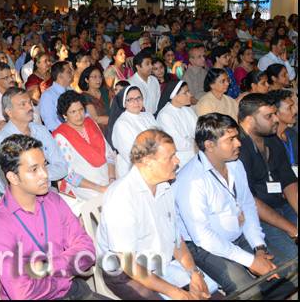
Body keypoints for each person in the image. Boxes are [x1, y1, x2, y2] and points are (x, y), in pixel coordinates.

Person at [174, 113, 295, 299]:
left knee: (284, 272)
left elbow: (247, 205)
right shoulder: (191, 180)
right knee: (249, 292)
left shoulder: (235, 165)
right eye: (230, 139)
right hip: (204, 246)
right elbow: (204, 237)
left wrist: (259, 247)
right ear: (210, 145)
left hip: (238, 234)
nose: (238, 143)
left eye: (237, 137)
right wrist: (250, 261)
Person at [98, 129, 217, 299]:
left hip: (161, 262)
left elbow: (176, 239)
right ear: (148, 162)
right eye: (170, 157)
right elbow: (128, 263)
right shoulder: (122, 197)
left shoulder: (165, 186)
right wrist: (176, 293)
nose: (177, 161)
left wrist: (193, 272)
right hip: (125, 271)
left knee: (209, 295)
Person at [0, 134, 101, 300]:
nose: (45, 175)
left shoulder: (54, 200)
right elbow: (22, 293)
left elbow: (87, 251)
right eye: (34, 170)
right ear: (13, 177)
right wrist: (65, 272)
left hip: (74, 292)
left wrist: (48, 266)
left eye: (44, 165)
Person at [237, 94, 298, 265]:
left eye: (275, 114)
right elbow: (249, 201)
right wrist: (292, 229)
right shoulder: (238, 149)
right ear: (249, 120)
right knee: (293, 259)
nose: (276, 119)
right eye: (268, 116)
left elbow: (288, 180)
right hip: (257, 217)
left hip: (282, 205)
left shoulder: (272, 139)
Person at [0, 87, 68, 196]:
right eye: (23, 104)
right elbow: (4, 184)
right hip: (21, 199)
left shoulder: (41, 130)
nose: (30, 107)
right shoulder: (2, 141)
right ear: (9, 112)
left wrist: (34, 175)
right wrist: (41, 174)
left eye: (30, 102)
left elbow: (62, 166)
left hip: (48, 191)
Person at [52, 90, 116, 199]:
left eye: (81, 109)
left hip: (108, 178)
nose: (79, 115)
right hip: (85, 188)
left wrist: (112, 179)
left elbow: (109, 154)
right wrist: (100, 188)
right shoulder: (60, 137)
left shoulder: (91, 123)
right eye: (73, 112)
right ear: (64, 115)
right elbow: (69, 175)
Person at [109, 85, 159, 178]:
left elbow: (160, 138)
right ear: (124, 103)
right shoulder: (121, 124)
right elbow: (131, 154)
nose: (136, 102)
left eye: (138, 98)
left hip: (156, 163)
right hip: (134, 170)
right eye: (130, 99)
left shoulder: (148, 116)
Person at [156, 81, 198, 166]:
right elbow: (177, 143)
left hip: (195, 153)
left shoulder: (188, 110)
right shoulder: (165, 115)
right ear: (174, 96)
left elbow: (198, 131)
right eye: (185, 93)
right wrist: (196, 143)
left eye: (188, 91)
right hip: (179, 159)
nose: (190, 95)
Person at [269, 89, 298, 170]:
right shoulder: (268, 141)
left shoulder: (292, 134)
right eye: (290, 108)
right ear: (276, 112)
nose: (295, 111)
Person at [39, 61, 72, 132]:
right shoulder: (47, 96)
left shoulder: (71, 90)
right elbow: (51, 124)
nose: (71, 73)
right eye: (69, 72)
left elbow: (84, 112)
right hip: (63, 134)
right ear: (60, 76)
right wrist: (70, 132)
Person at [78, 65, 112, 132]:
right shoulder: (84, 96)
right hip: (100, 130)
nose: (98, 80)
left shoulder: (105, 91)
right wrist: (114, 119)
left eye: (100, 77)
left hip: (114, 125)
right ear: (86, 80)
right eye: (94, 77)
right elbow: (95, 118)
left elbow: (114, 108)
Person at [128, 51, 161, 115]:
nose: (151, 66)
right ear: (138, 67)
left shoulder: (154, 80)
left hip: (154, 116)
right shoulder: (131, 83)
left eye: (151, 63)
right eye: (147, 64)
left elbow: (158, 99)